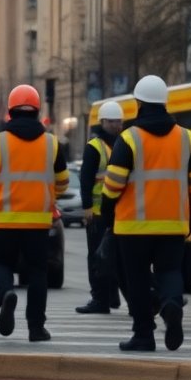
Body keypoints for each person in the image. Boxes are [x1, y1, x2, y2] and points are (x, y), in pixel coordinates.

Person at [102, 76, 191, 352]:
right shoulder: (186, 138)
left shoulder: (129, 138)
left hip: (133, 227)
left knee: (137, 279)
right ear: (164, 103)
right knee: (170, 271)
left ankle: (144, 335)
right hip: (173, 224)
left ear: (139, 103)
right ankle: (171, 304)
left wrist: (107, 213)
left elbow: (113, 184)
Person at [0, 85, 70, 342]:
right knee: (38, 272)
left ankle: (6, 294)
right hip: (38, 222)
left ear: (10, 111)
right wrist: (48, 197)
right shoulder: (51, 143)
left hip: (2, 221)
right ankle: (36, 328)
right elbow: (63, 181)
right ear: (37, 111)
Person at [76, 100, 125, 315]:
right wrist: (87, 207)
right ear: (102, 122)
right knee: (98, 257)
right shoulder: (95, 147)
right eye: (111, 121)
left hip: (121, 213)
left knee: (117, 258)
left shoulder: (126, 142)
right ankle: (101, 298)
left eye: (118, 121)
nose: (115, 125)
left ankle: (110, 297)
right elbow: (86, 180)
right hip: (97, 214)